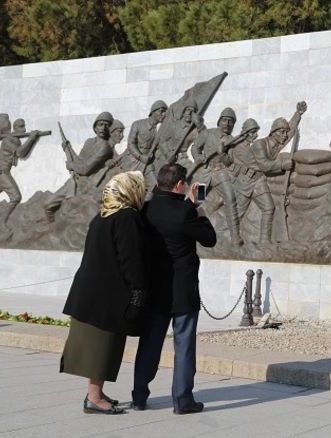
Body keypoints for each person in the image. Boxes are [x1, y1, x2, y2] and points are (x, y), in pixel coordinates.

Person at [60, 171, 148, 415]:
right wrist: (138, 292)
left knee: (100, 345)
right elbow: (131, 259)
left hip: (89, 293)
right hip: (106, 296)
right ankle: (94, 398)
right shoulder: (127, 217)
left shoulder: (101, 216)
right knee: (102, 346)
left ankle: (96, 393)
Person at [132, 163, 216, 415]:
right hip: (183, 289)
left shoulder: (145, 209)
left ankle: (139, 396)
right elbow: (209, 238)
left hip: (155, 289)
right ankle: (182, 400)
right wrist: (198, 207)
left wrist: (187, 206)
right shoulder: (185, 212)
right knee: (184, 346)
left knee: (149, 344)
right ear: (180, 185)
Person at [250, 101, 307, 242]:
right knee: (237, 210)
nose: (285, 135)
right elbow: (263, 165)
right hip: (246, 180)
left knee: (269, 208)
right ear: (273, 133)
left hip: (258, 181)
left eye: (285, 133)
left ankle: (264, 242)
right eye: (282, 132)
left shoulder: (277, 144)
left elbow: (291, 129)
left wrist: (298, 114)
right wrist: (282, 165)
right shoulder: (260, 144)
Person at [44, 111, 116, 221]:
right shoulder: (89, 142)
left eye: (107, 125)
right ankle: (51, 225)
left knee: (70, 215)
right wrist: (68, 149)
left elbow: (85, 169)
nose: (103, 128)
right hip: (75, 181)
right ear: (95, 128)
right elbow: (80, 161)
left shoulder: (105, 147)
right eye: (100, 124)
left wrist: (70, 165)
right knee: (47, 205)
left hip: (86, 185)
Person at [191, 107, 244, 245]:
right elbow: (195, 147)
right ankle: (189, 231)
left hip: (220, 173)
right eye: (225, 120)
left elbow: (229, 161)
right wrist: (199, 157)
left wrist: (222, 154)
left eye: (231, 122)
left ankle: (235, 236)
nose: (227, 123)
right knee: (196, 201)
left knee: (231, 199)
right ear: (219, 121)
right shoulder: (208, 134)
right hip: (205, 173)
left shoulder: (232, 140)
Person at [0, 118, 40, 229]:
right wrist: (31, 139)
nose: (24, 130)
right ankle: (1, 223)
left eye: (24, 126)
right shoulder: (8, 140)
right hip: (0, 171)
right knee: (16, 197)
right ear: (15, 128)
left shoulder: (15, 140)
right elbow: (20, 153)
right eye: (21, 127)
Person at [118, 100, 168, 190]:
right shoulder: (137, 124)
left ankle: (145, 204)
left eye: (165, 112)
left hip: (147, 162)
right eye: (161, 111)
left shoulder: (159, 131)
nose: (164, 114)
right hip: (132, 160)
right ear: (153, 112)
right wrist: (141, 157)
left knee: (154, 185)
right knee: (128, 188)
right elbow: (131, 143)